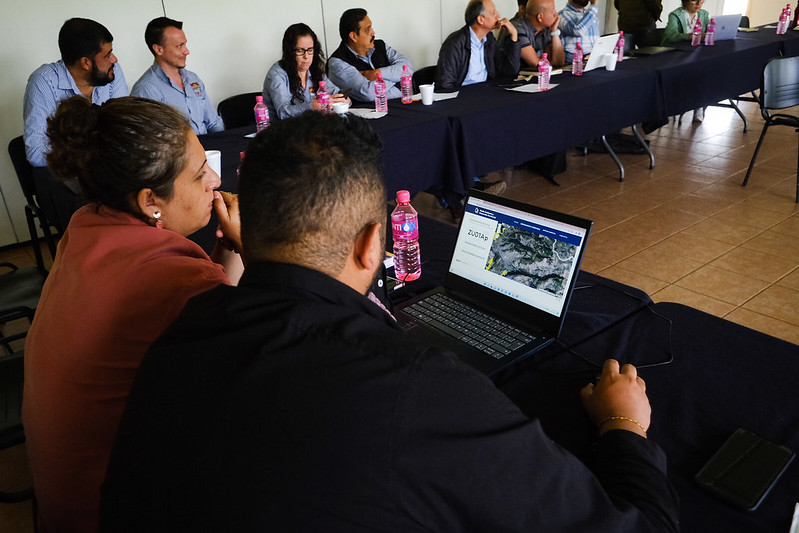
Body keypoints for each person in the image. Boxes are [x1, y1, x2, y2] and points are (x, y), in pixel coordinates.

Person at [100, 111, 679, 531]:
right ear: (374, 244)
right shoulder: (417, 389)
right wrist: (624, 428)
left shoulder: (187, 325)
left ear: (250, 229)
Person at [23, 96, 244, 533]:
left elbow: (209, 290)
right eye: (201, 175)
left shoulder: (87, 225)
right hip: (112, 510)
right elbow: (262, 345)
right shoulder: (176, 280)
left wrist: (231, 247)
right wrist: (259, 250)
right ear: (150, 202)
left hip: (60, 503)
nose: (215, 181)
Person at [22, 18, 128, 232]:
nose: (114, 59)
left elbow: (124, 129)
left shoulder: (110, 74)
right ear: (86, 63)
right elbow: (35, 151)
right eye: (107, 55)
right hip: (64, 175)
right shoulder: (44, 82)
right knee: (99, 216)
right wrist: (93, 153)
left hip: (105, 167)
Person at [131, 17, 224, 135]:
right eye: (180, 46)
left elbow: (214, 123)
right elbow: (149, 139)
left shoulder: (193, 79)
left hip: (209, 149)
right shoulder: (146, 89)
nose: (187, 51)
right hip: (177, 153)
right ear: (158, 49)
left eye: (185, 44)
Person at [263, 23, 349, 120]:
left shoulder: (314, 70)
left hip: (309, 126)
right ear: (289, 52)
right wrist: (313, 106)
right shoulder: (277, 74)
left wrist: (342, 99)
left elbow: (336, 93)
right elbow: (283, 113)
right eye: (300, 50)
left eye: (310, 50)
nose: (306, 56)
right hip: (280, 130)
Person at [327, 8, 412, 103]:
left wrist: (377, 73)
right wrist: (397, 80)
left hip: (399, 106)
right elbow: (368, 93)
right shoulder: (337, 63)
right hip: (365, 115)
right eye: (368, 29)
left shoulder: (380, 45)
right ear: (354, 36)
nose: (373, 32)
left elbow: (407, 69)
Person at [435, 0, 521, 92]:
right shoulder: (455, 43)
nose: (498, 15)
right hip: (462, 97)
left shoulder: (489, 39)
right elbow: (444, 85)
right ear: (480, 19)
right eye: (493, 13)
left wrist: (514, 35)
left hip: (485, 92)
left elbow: (510, 72)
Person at [662, 0, 710, 122]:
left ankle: (698, 105)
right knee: (698, 71)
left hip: (695, 53)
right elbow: (671, 35)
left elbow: (710, 31)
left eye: (702, 0)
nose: (699, 3)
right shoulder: (675, 15)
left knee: (706, 68)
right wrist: (690, 36)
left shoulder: (703, 14)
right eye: (694, 0)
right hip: (676, 54)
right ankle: (696, 104)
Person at [504, 0, 566, 68]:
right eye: (552, 11)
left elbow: (558, 63)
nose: (556, 14)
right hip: (509, 76)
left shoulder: (546, 29)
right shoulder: (517, 28)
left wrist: (554, 31)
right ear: (540, 17)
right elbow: (537, 65)